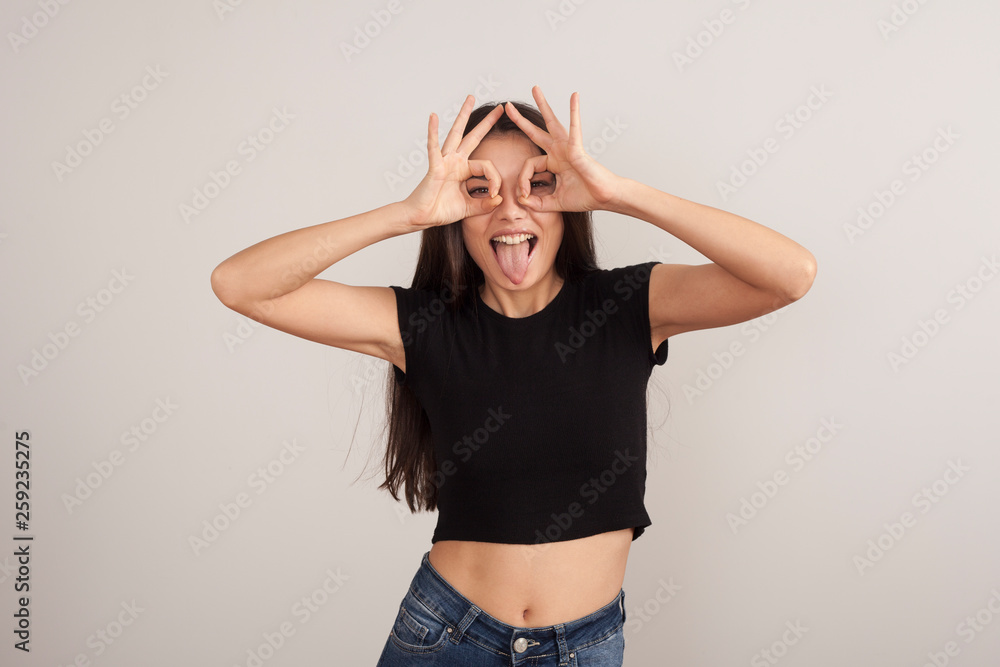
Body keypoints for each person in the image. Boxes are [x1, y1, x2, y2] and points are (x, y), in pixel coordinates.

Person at [210, 86, 817, 666]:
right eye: (480, 189)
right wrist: (406, 213)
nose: (509, 209)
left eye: (537, 185)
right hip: (446, 637)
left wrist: (620, 193)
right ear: (457, 213)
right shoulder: (424, 327)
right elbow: (239, 285)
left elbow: (790, 275)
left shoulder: (628, 305)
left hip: (585, 647)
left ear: (567, 200)